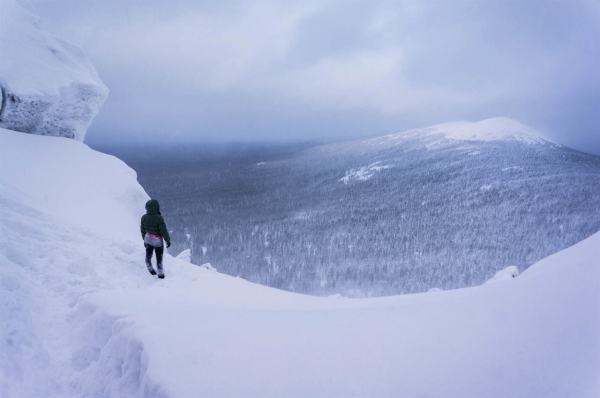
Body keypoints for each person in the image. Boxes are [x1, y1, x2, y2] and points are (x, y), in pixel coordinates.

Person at [140, 199, 171, 279]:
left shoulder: (144, 217)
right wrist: (167, 240)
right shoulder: (159, 218)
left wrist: (144, 239)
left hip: (148, 239)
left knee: (148, 255)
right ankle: (160, 273)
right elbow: (163, 231)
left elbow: (142, 230)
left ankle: (149, 268)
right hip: (157, 240)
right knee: (159, 258)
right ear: (156, 207)